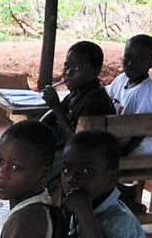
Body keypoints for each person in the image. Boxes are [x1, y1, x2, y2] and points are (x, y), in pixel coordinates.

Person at [40, 41, 115, 194]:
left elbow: (78, 143)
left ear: (95, 71)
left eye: (77, 68)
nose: (68, 73)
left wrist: (55, 106)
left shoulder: (94, 99)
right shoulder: (78, 91)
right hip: (73, 151)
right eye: (67, 66)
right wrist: (38, 128)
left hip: (85, 158)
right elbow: (51, 117)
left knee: (39, 169)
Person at [57, 131, 146, 238]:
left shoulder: (117, 222)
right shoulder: (85, 203)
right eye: (66, 170)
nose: (72, 179)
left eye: (86, 170)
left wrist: (83, 212)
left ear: (112, 178)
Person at [106, 35, 152, 157]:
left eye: (140, 59)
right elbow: (106, 95)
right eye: (128, 57)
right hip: (121, 145)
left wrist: (122, 154)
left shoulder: (147, 93)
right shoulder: (122, 79)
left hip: (138, 153)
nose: (131, 63)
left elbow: (141, 131)